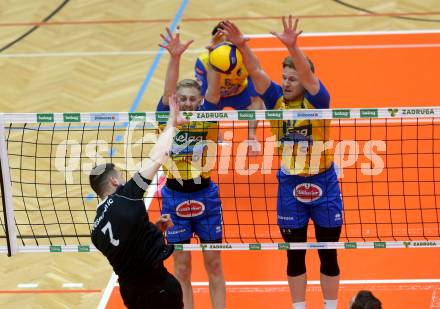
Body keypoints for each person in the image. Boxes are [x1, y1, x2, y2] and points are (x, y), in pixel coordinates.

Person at [220, 16, 343, 309]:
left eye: (293, 78)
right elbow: (255, 71)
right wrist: (240, 45)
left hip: (324, 183)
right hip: (290, 186)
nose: (286, 83)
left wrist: (293, 46)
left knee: (329, 254)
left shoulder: (318, 101)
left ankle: (331, 306)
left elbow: (310, 78)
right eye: (284, 77)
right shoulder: (275, 98)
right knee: (294, 254)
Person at [90, 96, 184, 309]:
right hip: (158, 287)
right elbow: (158, 156)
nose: (123, 179)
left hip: (131, 294)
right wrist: (172, 122)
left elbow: (127, 247)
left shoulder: (95, 232)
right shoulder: (125, 195)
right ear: (114, 181)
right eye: (120, 177)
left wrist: (152, 229)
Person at [157, 26, 226, 309]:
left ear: (199, 102)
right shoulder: (166, 118)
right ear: (176, 101)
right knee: (182, 269)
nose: (186, 102)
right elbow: (167, 92)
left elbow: (214, 89)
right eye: (182, 98)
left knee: (214, 264)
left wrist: (212, 59)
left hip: (205, 195)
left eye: (191, 99)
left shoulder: (208, 117)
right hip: (174, 198)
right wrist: (174, 58)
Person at [195, 22, 265, 147]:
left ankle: (251, 134)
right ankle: (211, 132)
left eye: (228, 42)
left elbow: (258, 76)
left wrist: (242, 45)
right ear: (215, 42)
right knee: (198, 104)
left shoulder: (244, 57)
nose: (226, 47)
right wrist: (213, 127)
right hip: (216, 97)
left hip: (239, 93)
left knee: (258, 102)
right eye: (221, 43)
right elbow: (202, 97)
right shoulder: (203, 62)